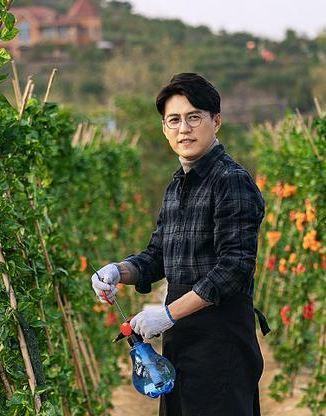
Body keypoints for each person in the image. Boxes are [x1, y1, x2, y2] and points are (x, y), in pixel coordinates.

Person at [91, 73, 270, 415]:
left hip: (222, 340)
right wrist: (117, 271)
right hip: (181, 340)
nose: (183, 128)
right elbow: (157, 256)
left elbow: (233, 268)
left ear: (216, 121)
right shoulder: (177, 187)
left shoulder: (231, 181)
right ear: (164, 128)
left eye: (194, 117)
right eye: (174, 120)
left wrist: (170, 313)